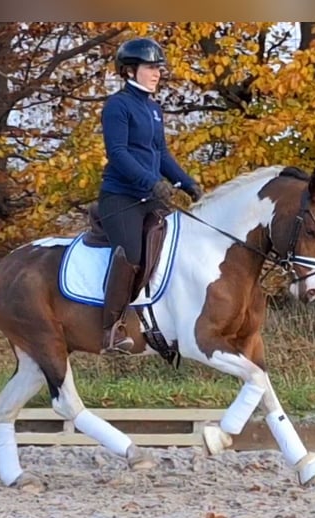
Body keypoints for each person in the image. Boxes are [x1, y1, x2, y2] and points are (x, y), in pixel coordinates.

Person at [97, 37, 204, 354]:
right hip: (121, 198)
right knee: (132, 254)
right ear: (130, 70)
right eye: (151, 67)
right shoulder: (118, 106)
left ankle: (168, 324)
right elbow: (117, 153)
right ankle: (112, 328)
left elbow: (162, 154)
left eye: (159, 67)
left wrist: (186, 183)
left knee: (177, 253)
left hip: (150, 197)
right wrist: (151, 181)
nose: (158, 72)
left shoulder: (153, 109)